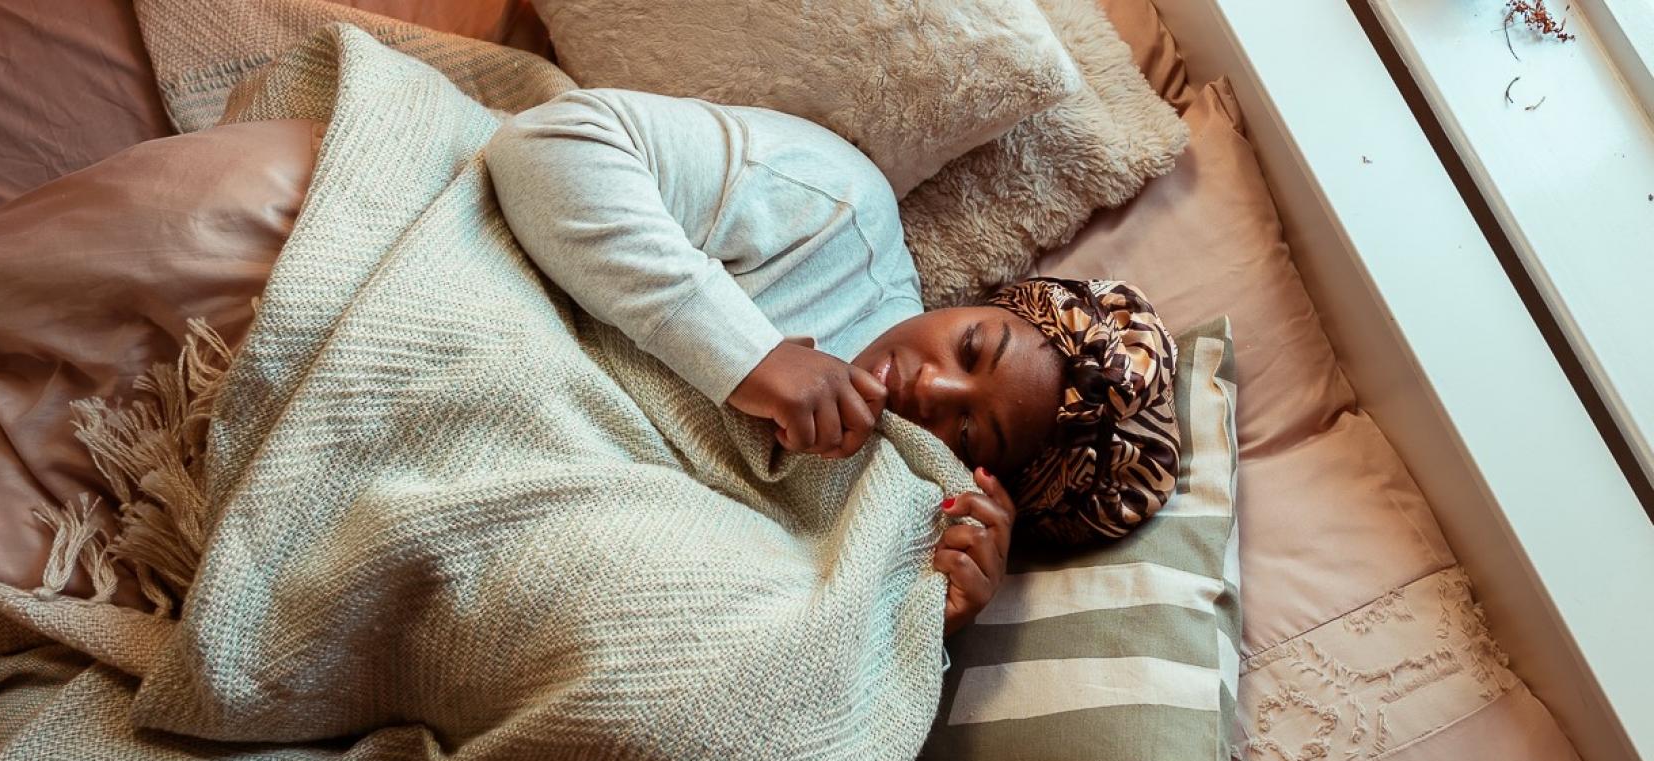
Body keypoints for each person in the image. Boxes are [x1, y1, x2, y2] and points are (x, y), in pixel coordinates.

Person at [486, 89, 1180, 634]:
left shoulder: (912, 510)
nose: (930, 385)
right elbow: (545, 144)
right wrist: (751, 360)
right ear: (993, 298)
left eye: (968, 433)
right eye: (970, 346)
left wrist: (930, 622)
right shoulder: (837, 217)